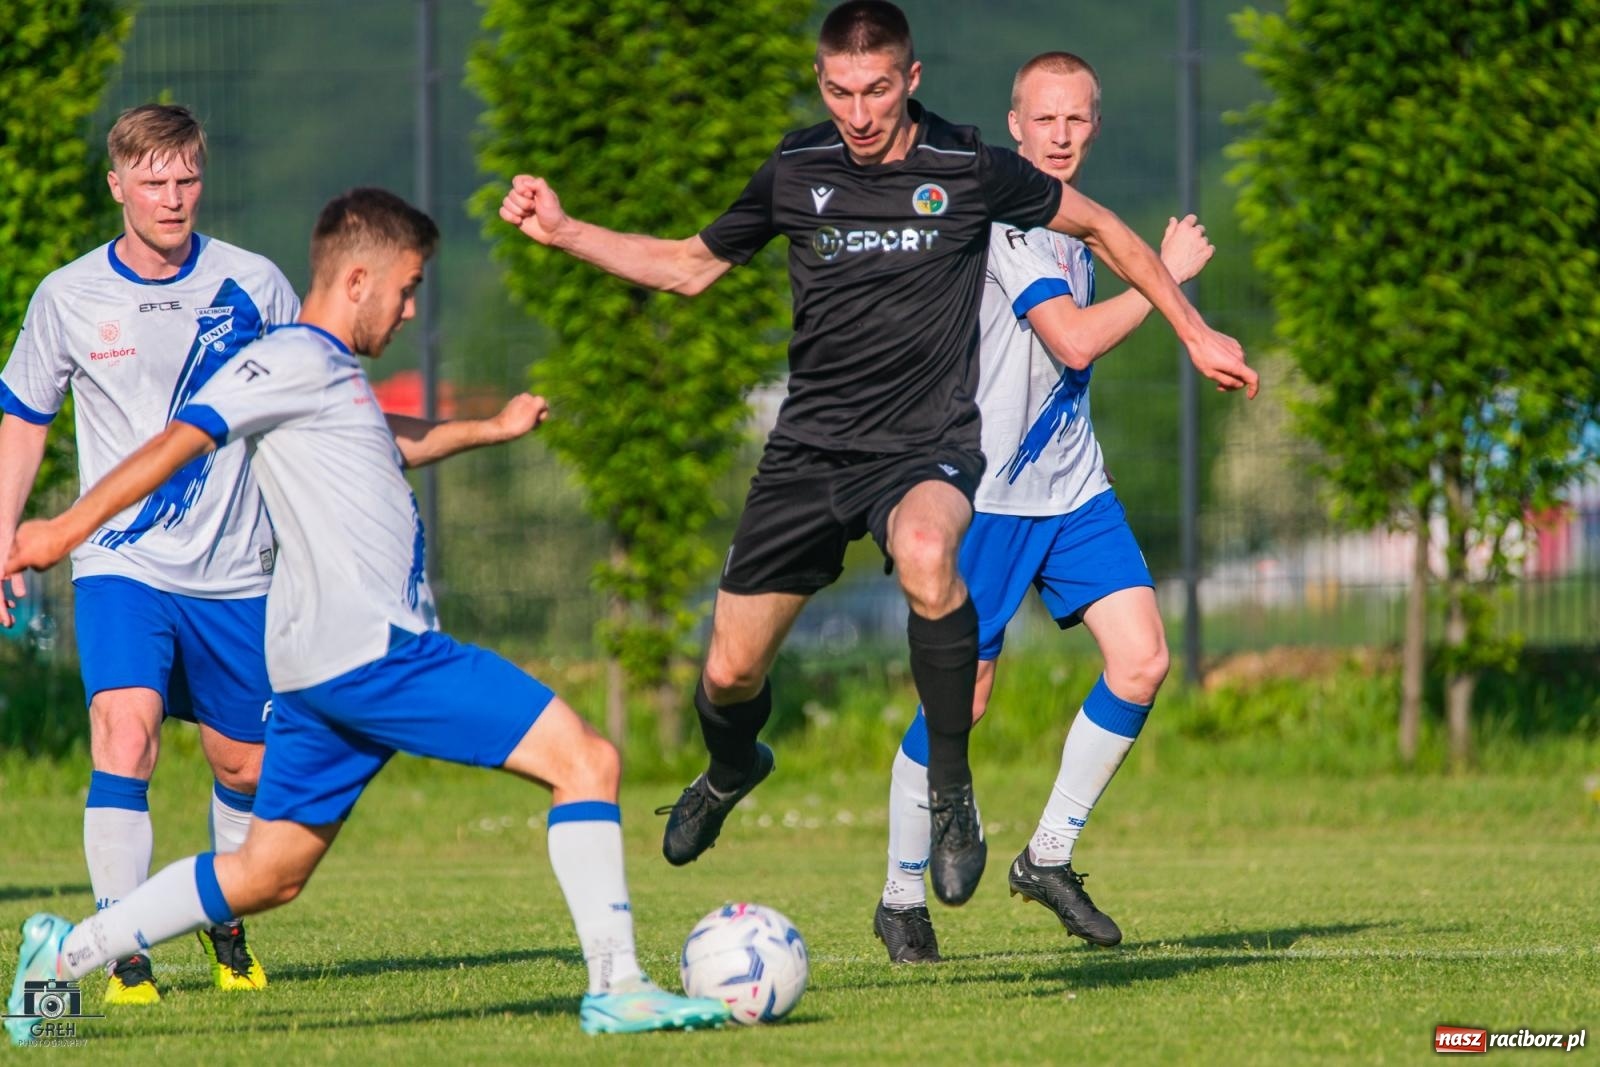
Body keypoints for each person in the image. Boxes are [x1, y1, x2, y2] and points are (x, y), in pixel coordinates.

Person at [498, 0, 1255, 909]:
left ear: (912, 81)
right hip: (811, 453)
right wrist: (565, 230)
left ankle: (951, 798)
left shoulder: (968, 167)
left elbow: (1104, 230)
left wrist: (1196, 331)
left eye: (877, 91)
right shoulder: (797, 166)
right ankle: (732, 770)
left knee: (932, 553)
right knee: (730, 673)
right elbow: (688, 266)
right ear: (823, 83)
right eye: (839, 91)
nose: (857, 114)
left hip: (924, 446)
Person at [3, 188, 731, 1042]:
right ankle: (620, 984)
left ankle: (63, 957)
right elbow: (177, 443)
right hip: (380, 656)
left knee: (267, 873)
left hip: (322, 674)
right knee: (589, 759)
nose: (411, 307)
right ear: (357, 279)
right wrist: (59, 528)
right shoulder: (284, 361)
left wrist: (489, 430)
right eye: (409, 287)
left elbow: (386, 445)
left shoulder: (330, 372)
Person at [872, 52, 1244, 963]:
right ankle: (897, 894)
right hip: (988, 495)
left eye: (1077, 119)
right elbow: (1072, 343)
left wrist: (1152, 277)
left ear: (1095, 126)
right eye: (1045, 120)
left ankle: (1048, 855)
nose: (1062, 135)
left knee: (1145, 658)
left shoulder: (1081, 229)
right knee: (967, 697)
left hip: (1074, 487)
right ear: (1015, 126)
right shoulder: (1003, 218)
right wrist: (1166, 284)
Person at [0, 104, 299, 1001]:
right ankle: (124, 943)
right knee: (122, 733)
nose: (173, 198)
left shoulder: (256, 285)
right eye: (155, 181)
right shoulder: (69, 294)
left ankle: (225, 915)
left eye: (187, 179)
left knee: (242, 764)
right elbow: (23, 418)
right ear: (117, 184)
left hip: (237, 570)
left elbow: (309, 410)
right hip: (119, 563)